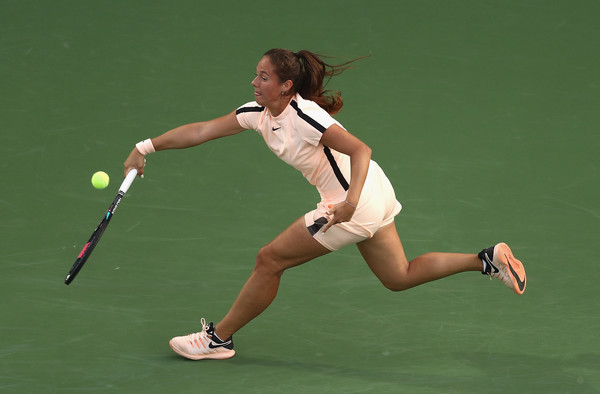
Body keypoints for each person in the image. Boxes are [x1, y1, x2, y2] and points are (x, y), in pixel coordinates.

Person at [124, 48, 526, 361]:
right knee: (398, 276)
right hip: (373, 192)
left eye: (263, 77)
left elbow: (360, 149)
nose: (254, 82)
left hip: (354, 199)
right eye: (256, 75)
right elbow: (201, 130)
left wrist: (349, 204)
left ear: (285, 86)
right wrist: (144, 148)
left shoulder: (305, 117)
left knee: (270, 260)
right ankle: (486, 259)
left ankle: (217, 339)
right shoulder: (258, 114)